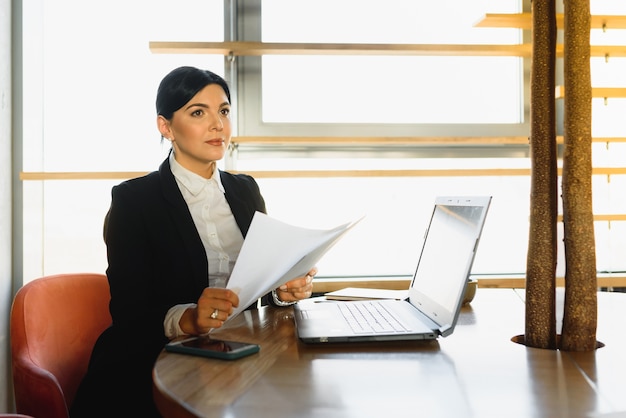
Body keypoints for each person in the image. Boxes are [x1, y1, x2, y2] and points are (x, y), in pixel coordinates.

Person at [70, 66, 316, 417]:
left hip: (239, 358)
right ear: (165, 127)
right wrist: (188, 319)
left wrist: (282, 290)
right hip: (152, 366)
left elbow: (258, 280)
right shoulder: (134, 201)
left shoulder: (246, 190)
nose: (218, 125)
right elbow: (129, 314)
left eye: (224, 111)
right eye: (198, 112)